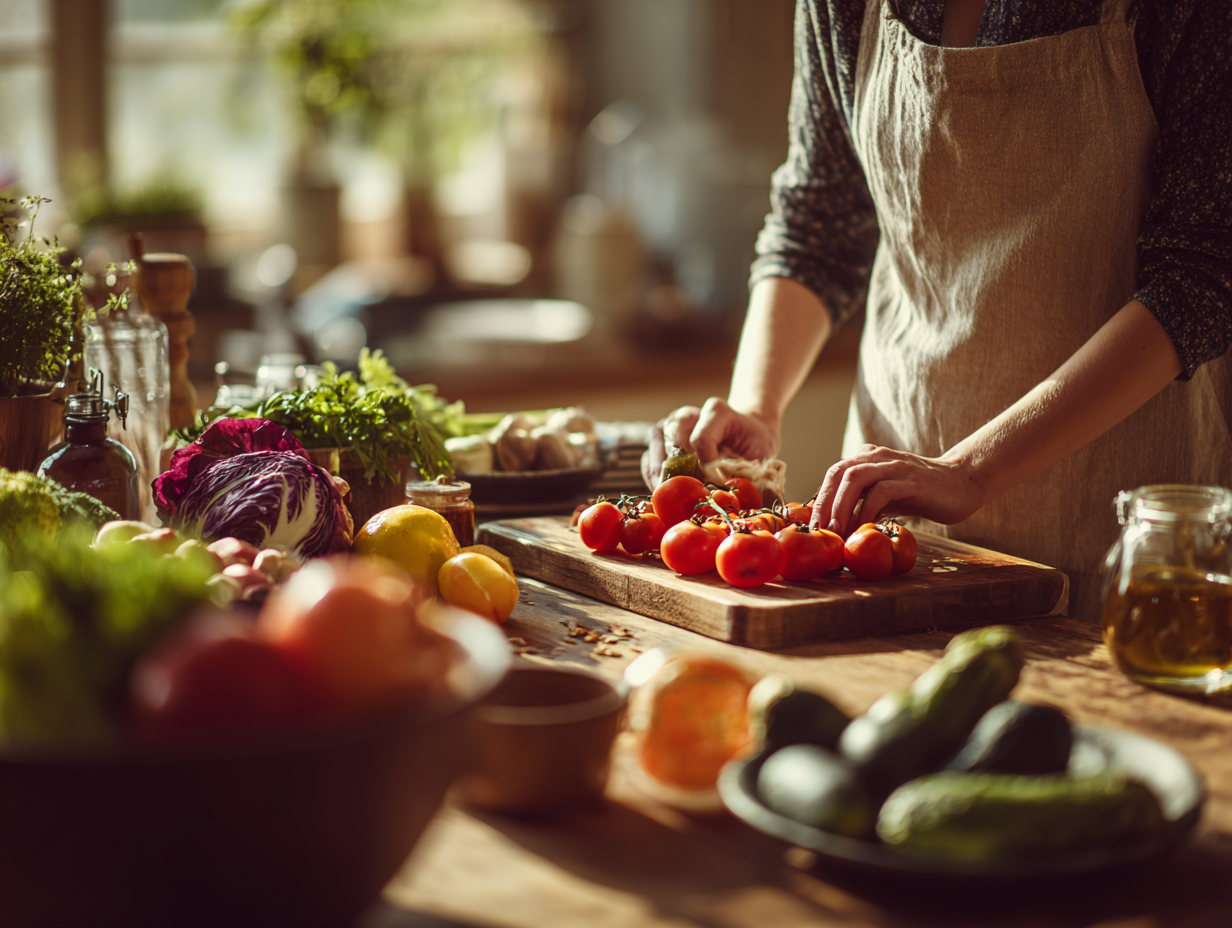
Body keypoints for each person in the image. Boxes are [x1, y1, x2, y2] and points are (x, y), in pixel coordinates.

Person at [642, 0, 1232, 620]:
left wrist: (970, 471)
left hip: (1121, 524)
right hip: (888, 518)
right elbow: (817, 223)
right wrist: (755, 411)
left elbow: (1203, 275)